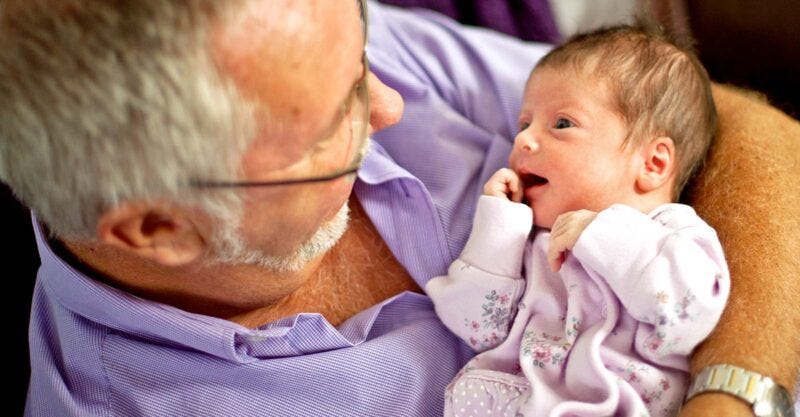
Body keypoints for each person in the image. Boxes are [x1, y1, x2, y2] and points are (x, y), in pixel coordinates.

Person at [0, 1, 796, 416]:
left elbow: (743, 131)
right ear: (158, 228)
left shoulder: (300, 36)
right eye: (331, 119)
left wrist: (732, 391)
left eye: (362, 59)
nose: (387, 105)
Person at [426, 24, 729, 417]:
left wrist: (601, 233)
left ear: (652, 164)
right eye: (524, 125)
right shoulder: (532, 242)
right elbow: (476, 328)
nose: (522, 141)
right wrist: (498, 229)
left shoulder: (672, 235)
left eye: (562, 124)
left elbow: (689, 313)